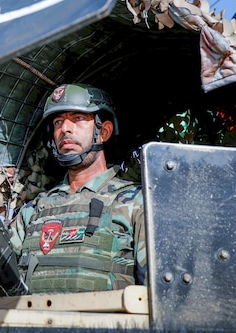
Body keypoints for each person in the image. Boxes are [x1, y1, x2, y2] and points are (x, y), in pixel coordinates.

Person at [9, 83, 147, 293]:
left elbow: (160, 293)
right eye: (58, 122)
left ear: (104, 132)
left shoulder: (135, 203)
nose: (65, 128)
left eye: (78, 118)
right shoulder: (35, 209)